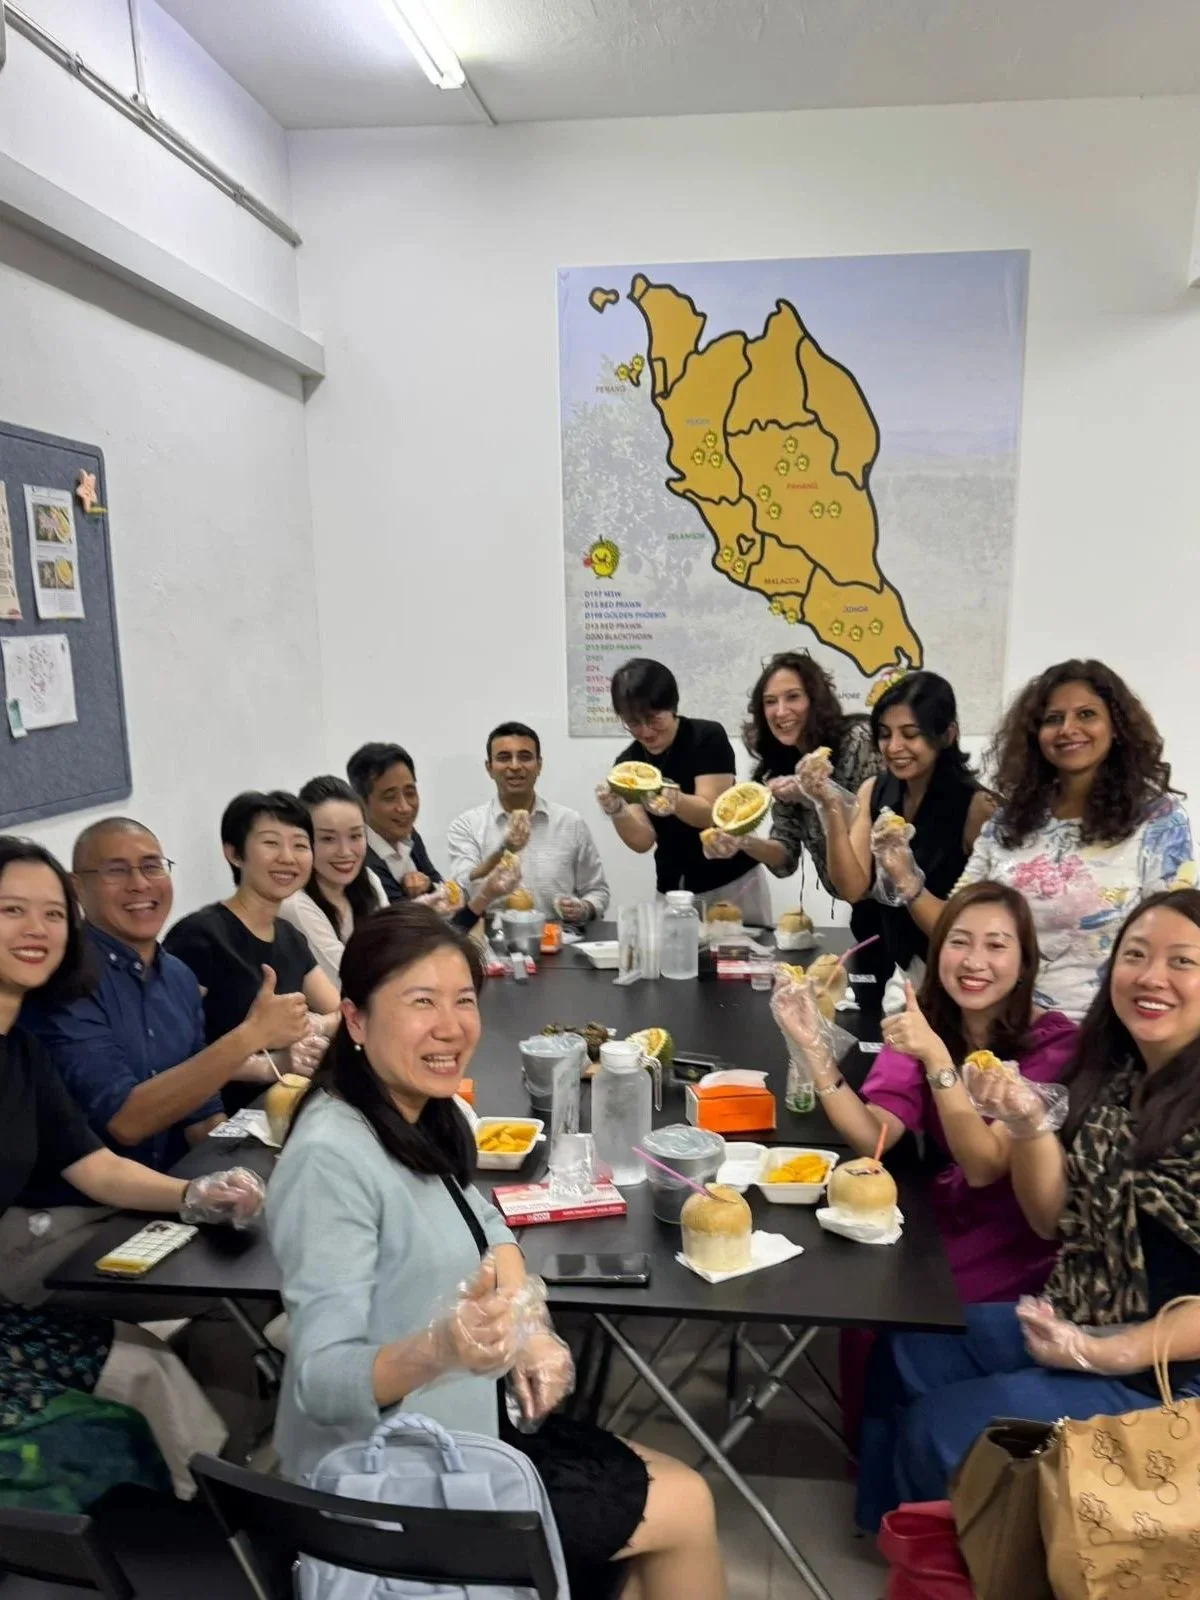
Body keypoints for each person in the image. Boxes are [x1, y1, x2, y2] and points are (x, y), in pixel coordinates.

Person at [268, 904, 726, 1600]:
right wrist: (439, 1349)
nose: (450, 1027)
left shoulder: (416, 1112)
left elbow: (486, 1220)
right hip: (393, 1485)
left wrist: (529, 1327)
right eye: (420, 1002)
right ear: (356, 1020)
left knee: (652, 1543)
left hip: (467, 1432)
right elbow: (321, 1383)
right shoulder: (331, 1157)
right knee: (686, 1505)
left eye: (462, 1001)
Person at [857, 888, 1200, 1528]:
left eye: (1183, 962)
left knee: (942, 1428)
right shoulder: (1116, 1074)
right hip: (1081, 1314)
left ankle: (994, 1558)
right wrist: (1027, 1122)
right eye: (1135, 955)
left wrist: (1104, 1353)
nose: (1152, 977)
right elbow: (1052, 1220)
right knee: (907, 1349)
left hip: (1166, 1375)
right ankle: (909, 1545)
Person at [0, 836, 266, 1508]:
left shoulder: (23, 1051)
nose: (36, 931)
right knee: (144, 1372)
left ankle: (229, 1509)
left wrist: (193, 1194)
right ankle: (221, 1523)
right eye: (11, 912)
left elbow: (94, 1166)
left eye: (50, 915)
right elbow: (122, 1122)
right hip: (18, 1277)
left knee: (206, 1329)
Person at [777, 882, 1076, 1304]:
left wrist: (938, 1061)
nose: (974, 962)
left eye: (996, 946)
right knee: (862, 1298)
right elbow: (875, 1135)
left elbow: (985, 1167)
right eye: (959, 942)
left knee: (902, 1308)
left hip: (1017, 1232)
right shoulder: (924, 1021)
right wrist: (814, 1051)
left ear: (1025, 963)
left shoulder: (1055, 1044)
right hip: (941, 1209)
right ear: (938, 955)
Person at [23, 816, 310, 1173]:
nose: (140, 884)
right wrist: (253, 1034)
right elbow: (126, 1121)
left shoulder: (178, 977)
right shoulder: (63, 977)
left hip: (172, 1187)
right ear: (77, 887)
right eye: (116, 870)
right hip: (81, 1210)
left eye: (151, 866)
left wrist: (247, 1171)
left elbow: (202, 1117)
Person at [959, 658, 1193, 1021]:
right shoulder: (1011, 820)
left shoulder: (1158, 820)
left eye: (1086, 714)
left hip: (1104, 1032)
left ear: (1116, 727)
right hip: (1005, 1026)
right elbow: (959, 917)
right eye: (1053, 719)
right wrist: (907, 881)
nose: (1068, 729)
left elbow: (1173, 934)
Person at [809, 670, 994, 989]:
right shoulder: (875, 789)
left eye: (910, 734)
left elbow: (977, 929)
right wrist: (831, 808)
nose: (894, 747)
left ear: (947, 735)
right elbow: (852, 888)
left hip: (956, 977)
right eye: (885, 734)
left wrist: (908, 880)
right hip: (892, 965)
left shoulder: (978, 807)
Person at [164, 791, 342, 1113]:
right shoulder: (199, 937)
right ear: (234, 854)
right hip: (217, 1122)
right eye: (271, 843)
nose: (288, 857)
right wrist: (275, 1061)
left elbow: (343, 1013)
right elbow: (173, 1054)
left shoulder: (290, 937)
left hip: (285, 1108)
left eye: (300, 845)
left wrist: (313, 1028)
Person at [597, 657, 771, 923]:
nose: (645, 731)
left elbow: (714, 814)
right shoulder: (628, 764)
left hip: (731, 880)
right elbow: (643, 840)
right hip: (673, 888)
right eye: (632, 723)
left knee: (740, 962)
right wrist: (617, 810)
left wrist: (674, 801)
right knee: (674, 963)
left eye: (653, 719)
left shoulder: (705, 737)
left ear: (672, 706)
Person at [447, 722, 609, 924]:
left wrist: (585, 908)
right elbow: (462, 886)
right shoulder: (467, 825)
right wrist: (504, 849)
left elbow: (597, 891)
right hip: (490, 942)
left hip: (559, 941)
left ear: (539, 765)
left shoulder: (570, 822)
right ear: (489, 768)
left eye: (525, 757)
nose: (515, 766)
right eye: (504, 758)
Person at [280, 777, 389, 985]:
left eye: (355, 836)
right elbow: (350, 983)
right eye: (328, 839)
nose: (345, 852)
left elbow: (396, 948)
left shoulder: (369, 881)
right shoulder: (295, 905)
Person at [347, 742, 444, 903]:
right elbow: (399, 920)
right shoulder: (360, 859)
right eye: (390, 797)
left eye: (410, 793)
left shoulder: (409, 835)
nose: (405, 808)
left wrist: (428, 887)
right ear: (361, 803)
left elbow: (440, 886)